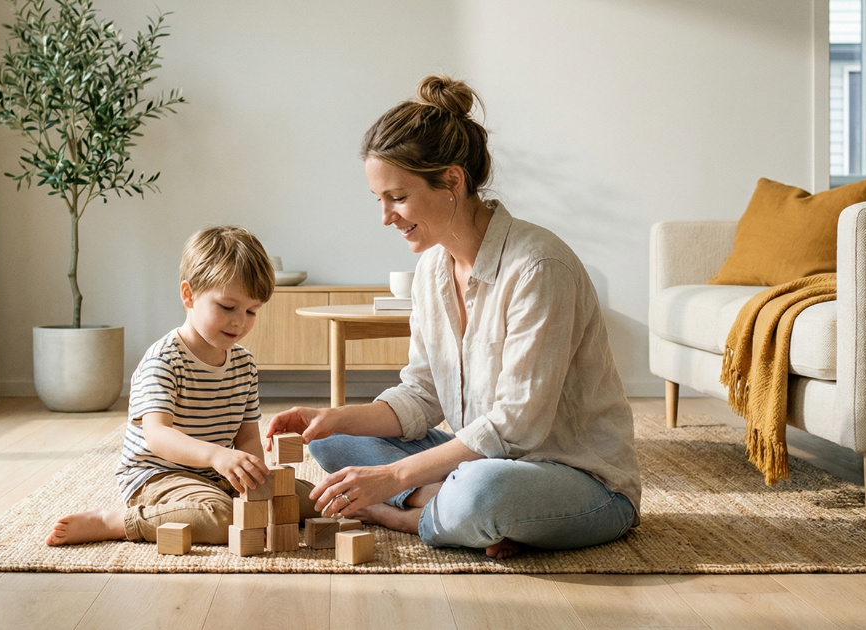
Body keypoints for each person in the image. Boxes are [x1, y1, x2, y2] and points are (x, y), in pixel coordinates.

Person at [265, 75, 641, 559]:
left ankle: (409, 514)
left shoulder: (538, 267)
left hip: (579, 482)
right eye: (379, 199)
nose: (386, 217)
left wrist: (394, 480)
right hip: (481, 462)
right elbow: (421, 395)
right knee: (332, 442)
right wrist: (336, 417)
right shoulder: (430, 271)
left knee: (481, 491)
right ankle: (461, 514)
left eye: (397, 197)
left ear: (452, 182)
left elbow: (517, 426)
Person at [46, 226, 321, 546]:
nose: (239, 322)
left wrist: (253, 479)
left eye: (251, 311)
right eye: (227, 307)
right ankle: (116, 521)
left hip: (215, 476)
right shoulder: (163, 361)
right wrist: (216, 456)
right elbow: (158, 436)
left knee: (310, 499)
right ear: (189, 295)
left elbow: (247, 436)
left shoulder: (244, 365)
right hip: (158, 477)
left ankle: (226, 500)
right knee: (221, 519)